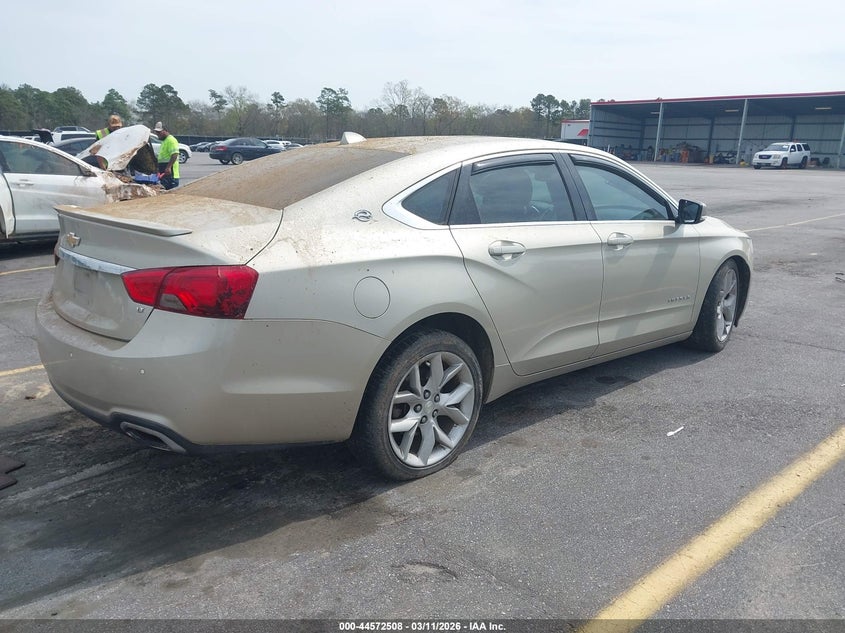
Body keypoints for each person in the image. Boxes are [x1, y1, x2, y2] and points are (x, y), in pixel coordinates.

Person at [152, 121, 180, 190]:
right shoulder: (164, 141)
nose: (157, 134)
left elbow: (174, 154)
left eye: (159, 132)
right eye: (156, 132)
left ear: (165, 130)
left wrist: (168, 167)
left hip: (171, 175)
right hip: (164, 174)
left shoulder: (171, 140)